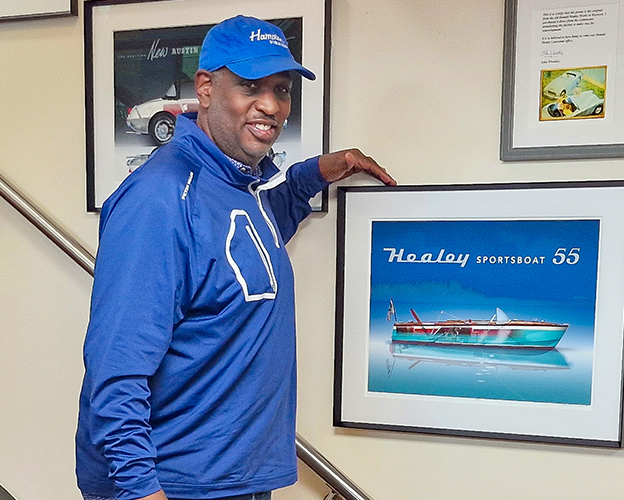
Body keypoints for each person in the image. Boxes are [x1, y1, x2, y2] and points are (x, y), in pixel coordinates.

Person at [75, 15, 395, 500]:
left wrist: (318, 172)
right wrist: (141, 490)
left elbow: (241, 246)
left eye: (281, 89)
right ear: (204, 88)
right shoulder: (159, 200)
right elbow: (115, 370)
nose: (270, 105)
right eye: (249, 86)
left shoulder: (236, 186)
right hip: (177, 486)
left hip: (237, 480)